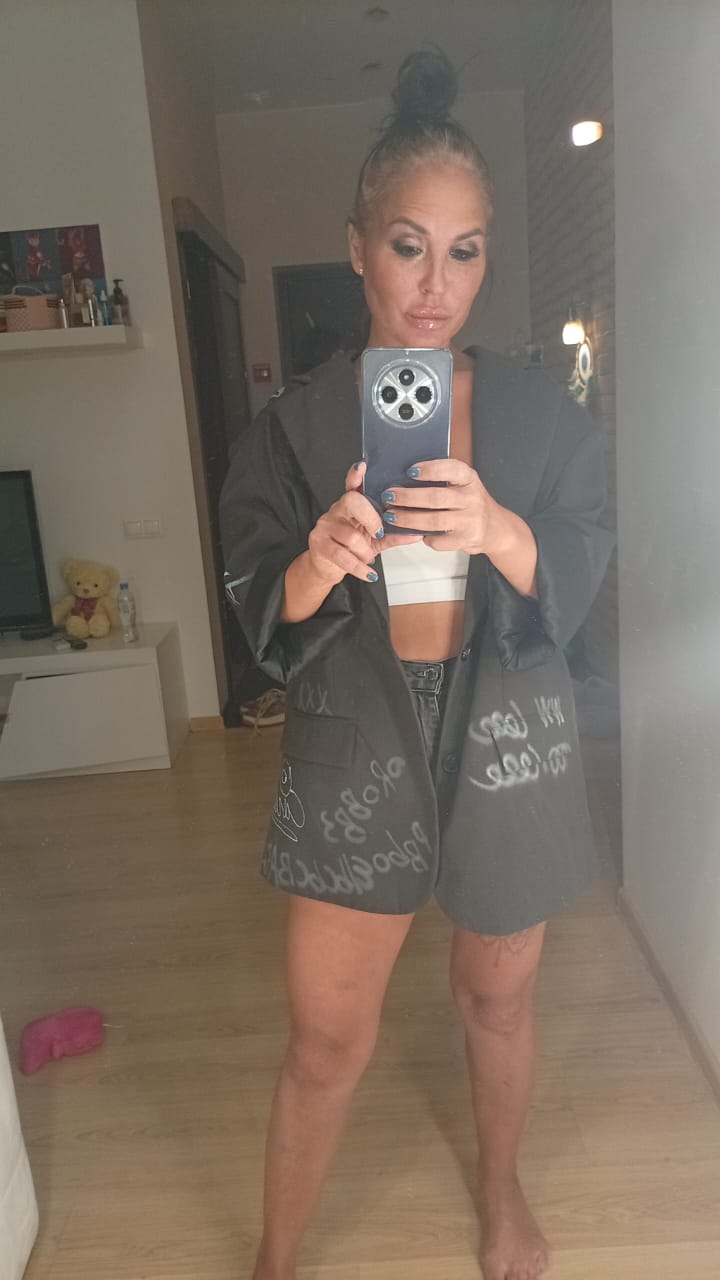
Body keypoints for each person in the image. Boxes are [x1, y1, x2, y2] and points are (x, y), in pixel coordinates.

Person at [219, 49, 615, 1280]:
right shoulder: (294, 428)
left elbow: (582, 558)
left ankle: (500, 1194)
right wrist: (320, 559)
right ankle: (277, 1257)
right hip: (360, 731)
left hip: (505, 728)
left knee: (498, 999)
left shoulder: (543, 414)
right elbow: (258, 600)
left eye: (465, 250)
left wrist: (498, 527)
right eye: (408, 246)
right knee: (326, 1041)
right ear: (357, 248)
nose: (438, 285)